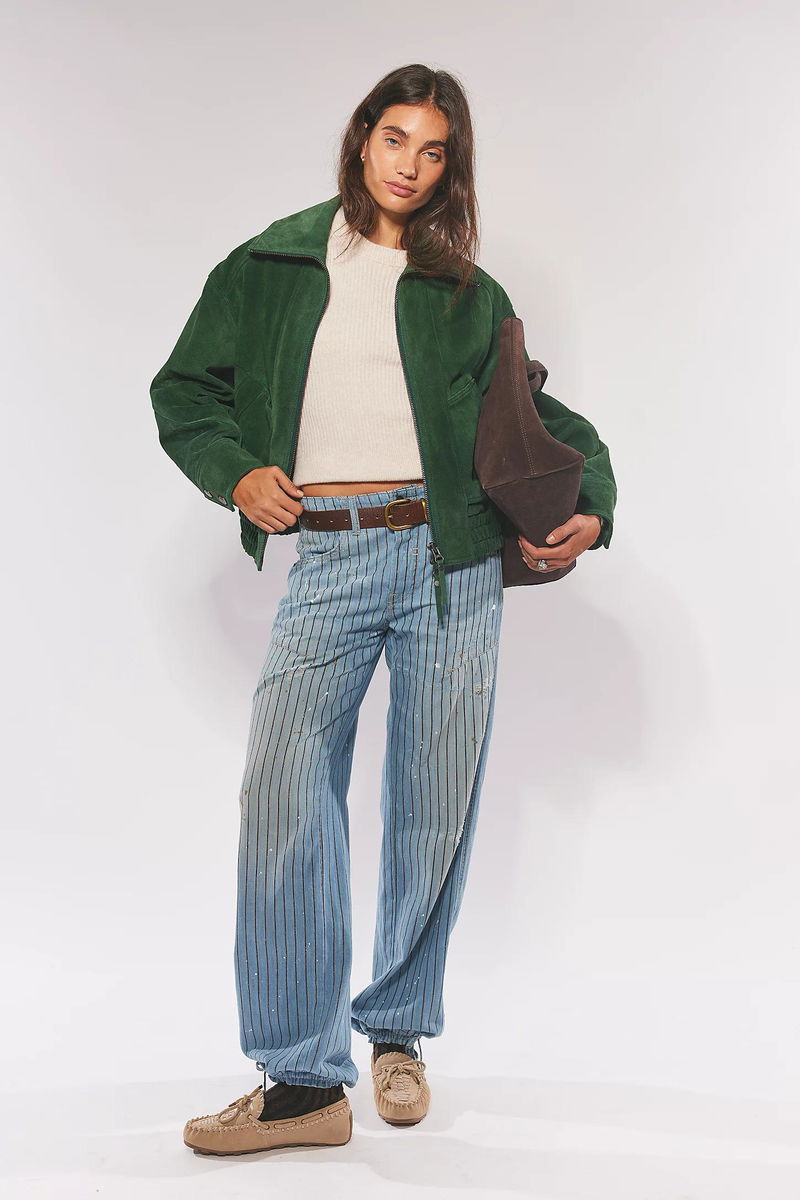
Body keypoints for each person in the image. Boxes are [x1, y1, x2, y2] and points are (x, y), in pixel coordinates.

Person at [150, 63, 617, 1157]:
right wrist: (236, 473)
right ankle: (301, 1080)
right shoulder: (270, 264)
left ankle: (397, 1034)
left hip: (450, 560)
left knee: (431, 804)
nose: (410, 166)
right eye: (395, 138)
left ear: (450, 168)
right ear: (361, 139)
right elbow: (185, 391)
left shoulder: (466, 293)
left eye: (434, 150)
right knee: (282, 793)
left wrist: (592, 501)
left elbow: (536, 416)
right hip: (328, 551)